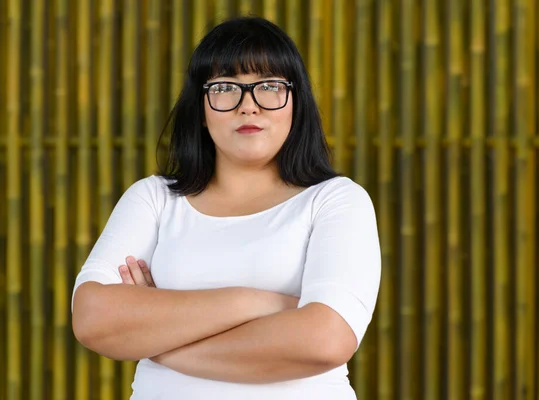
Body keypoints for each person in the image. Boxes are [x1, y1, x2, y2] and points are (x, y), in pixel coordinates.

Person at [71, 16, 381, 400]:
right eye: (225, 87)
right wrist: (260, 302)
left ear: (295, 102)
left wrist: (154, 338)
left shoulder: (336, 200)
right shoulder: (153, 198)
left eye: (269, 86)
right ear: (200, 108)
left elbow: (325, 341)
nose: (248, 107)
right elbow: (93, 319)